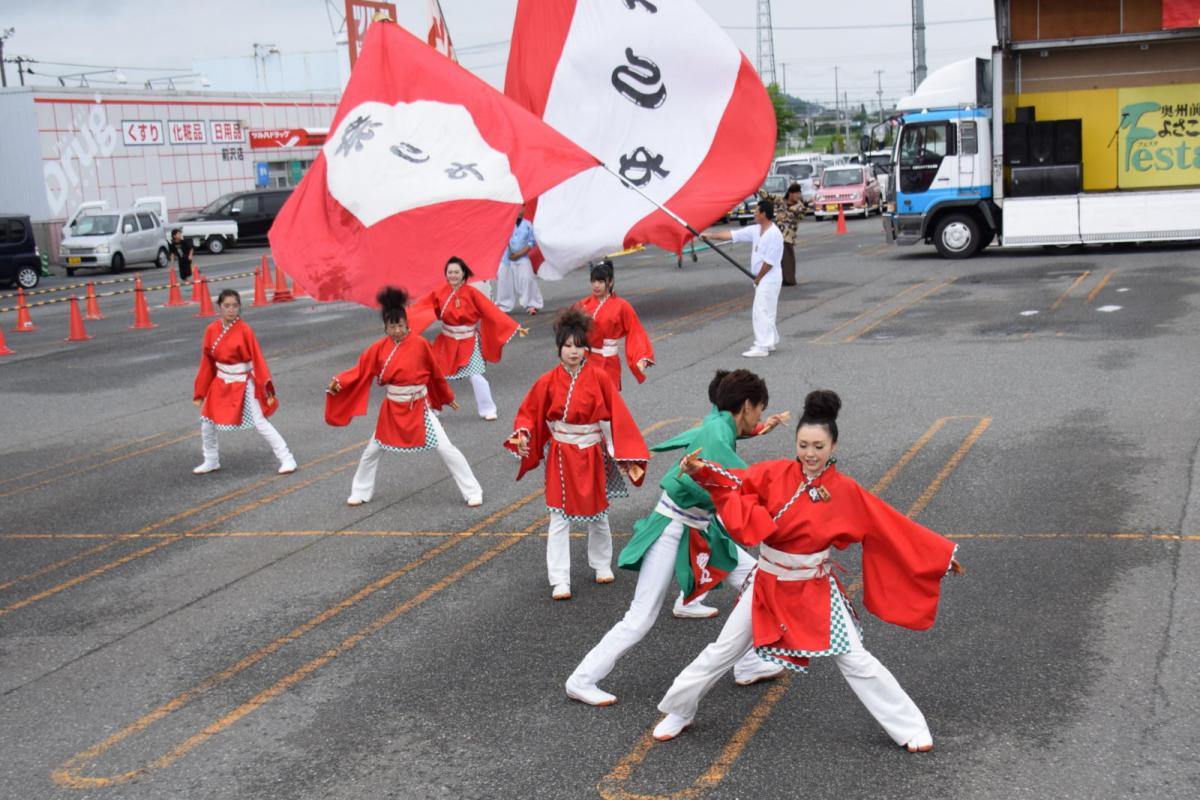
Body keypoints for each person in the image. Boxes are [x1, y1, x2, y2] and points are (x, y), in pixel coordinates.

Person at [651, 390, 964, 750]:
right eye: (803, 445)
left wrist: (938, 556)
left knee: (855, 659)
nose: (810, 454)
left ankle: (909, 727)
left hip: (814, 589)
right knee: (722, 651)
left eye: (818, 446)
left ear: (833, 446)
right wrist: (701, 470)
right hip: (767, 584)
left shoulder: (846, 491)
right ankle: (679, 710)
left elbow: (888, 525)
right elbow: (737, 485)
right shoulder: (773, 473)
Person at [564, 370, 790, 707]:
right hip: (673, 527)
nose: (758, 416)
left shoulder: (719, 423)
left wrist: (760, 428)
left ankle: (748, 661)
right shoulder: (717, 434)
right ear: (745, 405)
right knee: (640, 617)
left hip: (698, 527)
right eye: (757, 410)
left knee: (760, 581)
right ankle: (581, 680)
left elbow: (726, 442)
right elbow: (743, 480)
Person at [505, 308, 649, 601]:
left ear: (587, 348)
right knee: (558, 517)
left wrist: (627, 456)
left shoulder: (599, 377)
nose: (573, 351)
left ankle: (601, 564)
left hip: (592, 451)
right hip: (561, 453)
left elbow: (619, 418)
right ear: (559, 348)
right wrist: (522, 435)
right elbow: (529, 414)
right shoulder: (546, 380)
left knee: (599, 513)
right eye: (567, 346)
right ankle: (559, 579)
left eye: (578, 345)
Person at [326, 287, 483, 508]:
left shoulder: (420, 344)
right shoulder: (378, 349)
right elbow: (360, 371)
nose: (397, 330)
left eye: (400, 325)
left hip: (419, 406)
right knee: (371, 451)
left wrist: (446, 396)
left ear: (407, 323)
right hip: (392, 409)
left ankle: (472, 491)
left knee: (446, 448)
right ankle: (360, 491)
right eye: (392, 326)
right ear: (385, 327)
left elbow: (435, 374)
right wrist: (340, 382)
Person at [408, 256, 527, 421]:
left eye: (456, 272)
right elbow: (422, 307)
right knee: (432, 374)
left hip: (468, 341)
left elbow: (491, 311)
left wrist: (513, 326)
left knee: (476, 376)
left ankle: (488, 409)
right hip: (447, 341)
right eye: (450, 272)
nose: (453, 275)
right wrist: (404, 319)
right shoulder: (439, 292)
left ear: (464, 273)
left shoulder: (472, 293)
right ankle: (433, 407)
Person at [192, 289, 296, 475]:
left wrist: (264, 387)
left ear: (240, 308)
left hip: (244, 381)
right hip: (221, 381)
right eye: (227, 306)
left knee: (260, 421)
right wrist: (201, 390)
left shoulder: (245, 330)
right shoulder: (211, 330)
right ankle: (211, 459)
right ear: (220, 308)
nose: (231, 310)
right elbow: (207, 363)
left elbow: (257, 360)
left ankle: (287, 458)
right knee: (207, 422)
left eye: (235, 306)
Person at [703, 198, 783, 358]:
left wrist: (758, 278)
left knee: (760, 310)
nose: (754, 213)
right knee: (767, 311)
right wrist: (710, 236)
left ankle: (762, 346)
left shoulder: (774, 234)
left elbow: (769, 262)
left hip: (768, 277)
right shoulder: (756, 230)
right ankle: (770, 341)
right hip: (761, 278)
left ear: (764, 214)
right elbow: (733, 235)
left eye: (756, 211)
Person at [574, 260, 654, 391]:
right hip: (585, 360)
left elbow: (635, 331)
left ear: (610, 282)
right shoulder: (582, 304)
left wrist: (641, 357)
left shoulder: (621, 306)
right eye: (593, 281)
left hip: (608, 362)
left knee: (607, 401)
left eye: (600, 282)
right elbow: (568, 330)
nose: (596, 285)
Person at [494, 204, 543, 316]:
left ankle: (532, 304)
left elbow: (531, 242)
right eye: (517, 207)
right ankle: (503, 305)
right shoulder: (504, 223)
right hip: (506, 259)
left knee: (527, 279)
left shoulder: (527, 225)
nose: (519, 210)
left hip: (522, 258)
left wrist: (519, 254)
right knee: (503, 281)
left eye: (522, 207)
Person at [759, 182, 804, 286]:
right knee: (774, 257)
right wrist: (757, 189)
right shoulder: (780, 200)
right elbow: (767, 197)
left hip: (788, 235)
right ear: (790, 193)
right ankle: (777, 278)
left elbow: (799, 215)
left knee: (788, 258)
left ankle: (789, 280)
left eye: (799, 193)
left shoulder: (799, 206)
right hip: (777, 234)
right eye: (796, 193)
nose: (798, 196)